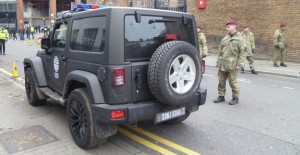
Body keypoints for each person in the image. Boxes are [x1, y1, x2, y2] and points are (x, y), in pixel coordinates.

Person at [214, 20, 246, 105]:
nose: (226, 28)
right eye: (226, 27)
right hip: (223, 64)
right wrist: (218, 62)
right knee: (221, 81)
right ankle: (221, 96)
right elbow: (220, 51)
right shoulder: (225, 38)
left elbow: (243, 53)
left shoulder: (240, 39)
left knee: (233, 82)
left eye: (228, 26)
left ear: (234, 27)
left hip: (233, 65)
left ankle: (235, 98)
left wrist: (239, 65)